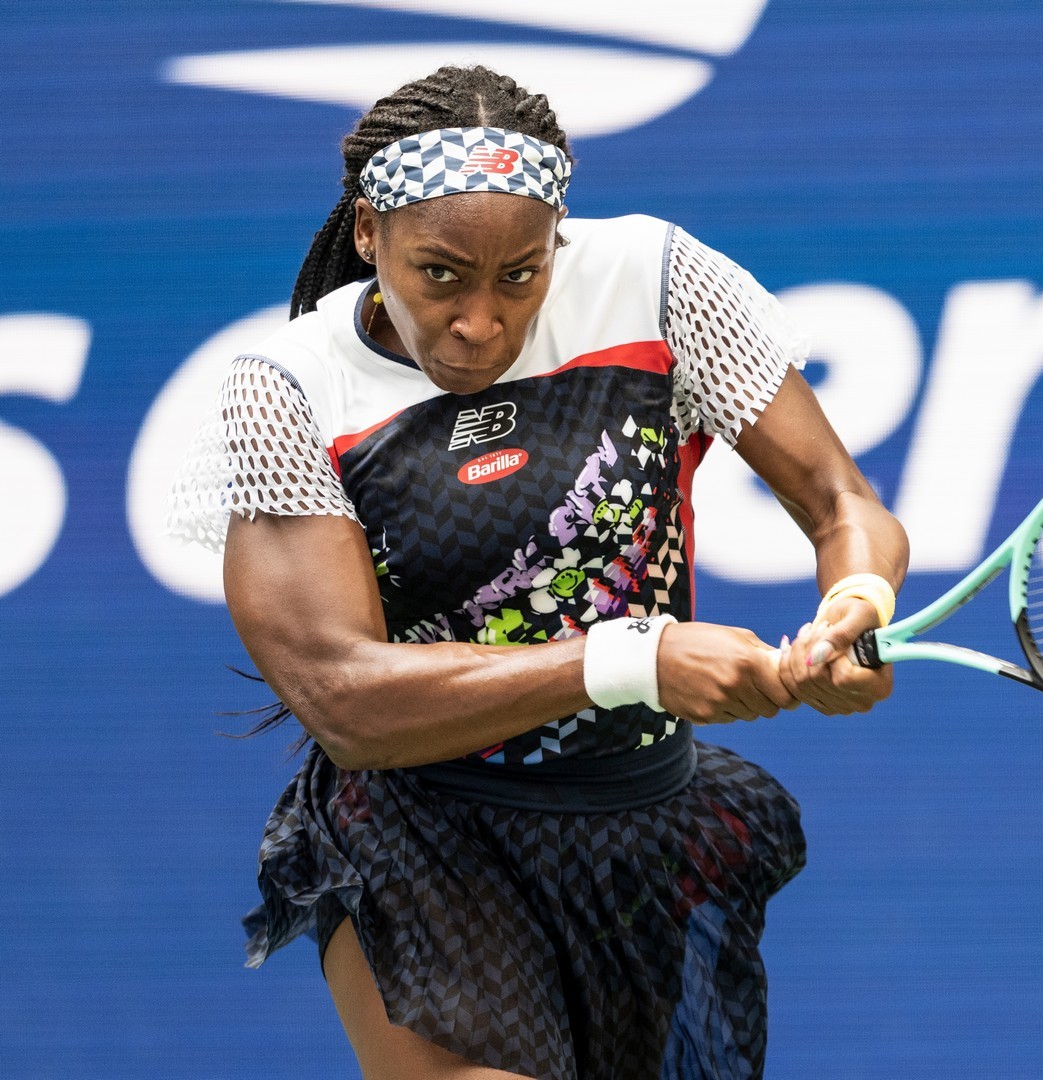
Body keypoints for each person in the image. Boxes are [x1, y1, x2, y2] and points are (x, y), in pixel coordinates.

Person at [169, 64, 908, 1079]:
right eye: (441, 275)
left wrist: (853, 605)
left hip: (644, 829)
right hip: (421, 838)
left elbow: (840, 501)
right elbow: (341, 695)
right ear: (369, 234)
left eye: (521, 274)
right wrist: (629, 659)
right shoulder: (290, 391)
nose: (481, 320)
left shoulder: (657, 279)